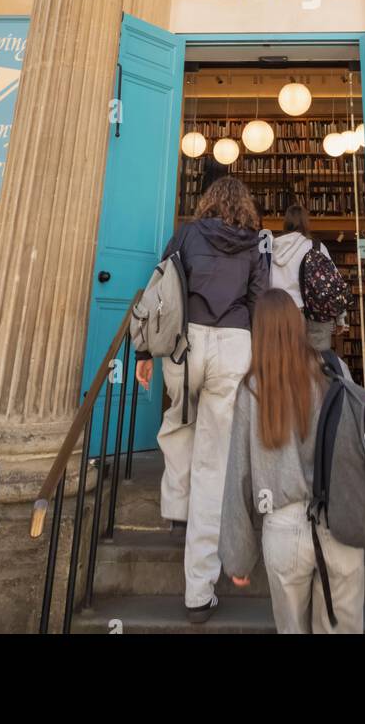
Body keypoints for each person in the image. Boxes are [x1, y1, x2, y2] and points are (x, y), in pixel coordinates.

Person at [135, 175, 266, 624]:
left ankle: (176, 506)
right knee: (215, 464)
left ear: (208, 201)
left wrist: (143, 350)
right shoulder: (252, 244)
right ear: (244, 207)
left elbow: (161, 291)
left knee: (176, 425)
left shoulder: (187, 234)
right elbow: (258, 300)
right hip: (233, 343)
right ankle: (199, 588)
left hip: (185, 344)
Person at [219, 288, 365, 634]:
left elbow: (238, 474)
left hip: (283, 529)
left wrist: (238, 556)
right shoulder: (335, 370)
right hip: (340, 521)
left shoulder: (253, 388)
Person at [269, 202, 345, 351]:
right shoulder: (315, 247)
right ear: (305, 222)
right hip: (308, 315)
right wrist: (340, 317)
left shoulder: (271, 248)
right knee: (312, 365)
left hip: (276, 314)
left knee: (282, 364)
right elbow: (333, 283)